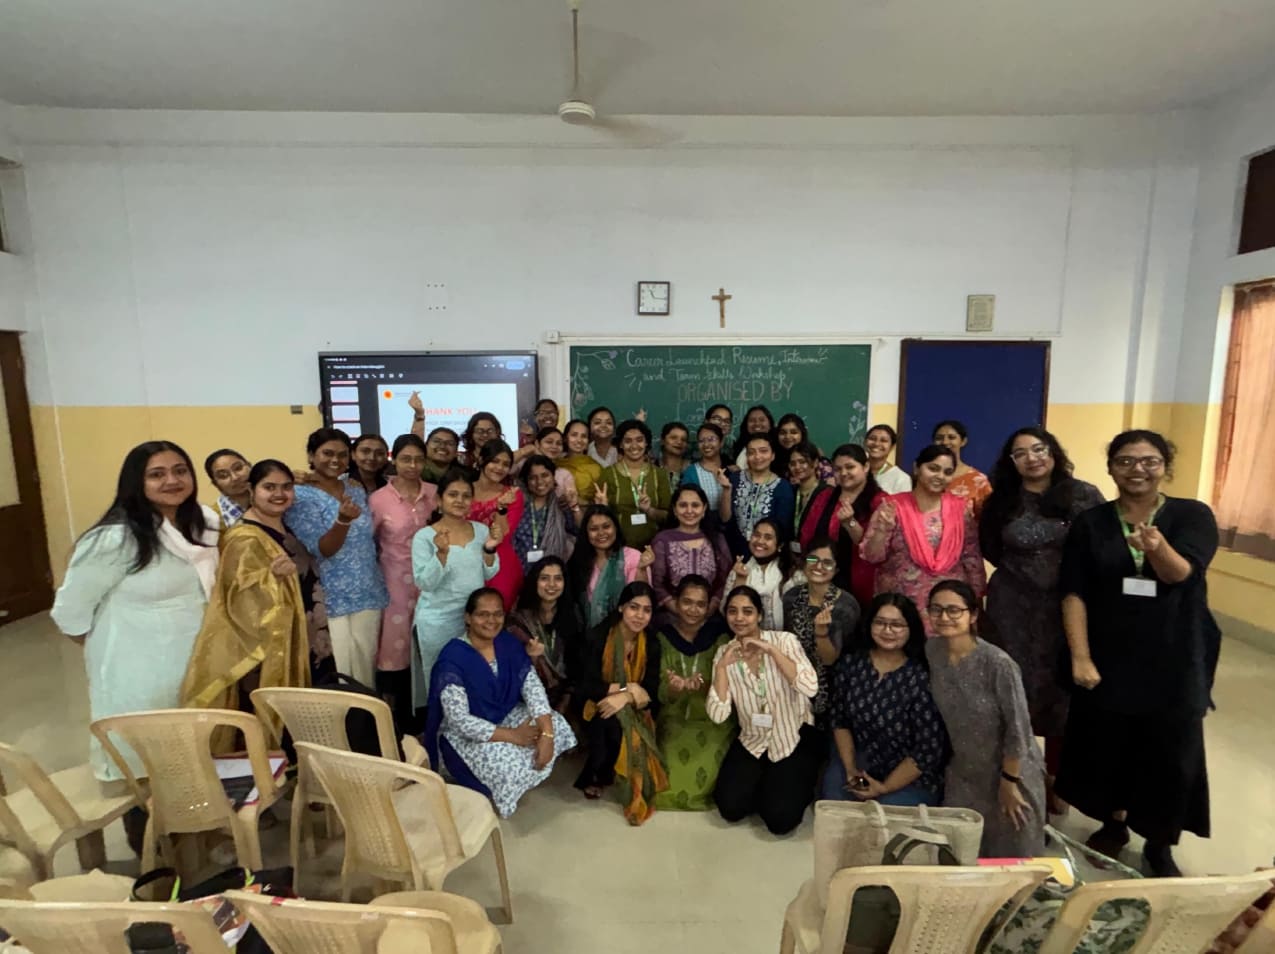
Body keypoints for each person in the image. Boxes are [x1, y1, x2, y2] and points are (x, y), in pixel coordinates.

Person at [1056, 430, 1220, 878]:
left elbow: (1181, 575)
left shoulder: (1191, 515)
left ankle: (1160, 842)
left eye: (1149, 461)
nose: (1137, 470)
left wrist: (1157, 547)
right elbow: (1073, 592)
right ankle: (1113, 824)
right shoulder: (1092, 522)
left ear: (1165, 466)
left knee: (1170, 750)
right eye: (1125, 461)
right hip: (1110, 652)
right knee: (1109, 742)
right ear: (1111, 468)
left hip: (1176, 654)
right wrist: (1080, 656)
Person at [51, 441, 219, 782]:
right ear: (136, 483)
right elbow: (70, 613)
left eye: (180, 471)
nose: (172, 481)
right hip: (137, 669)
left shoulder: (205, 523)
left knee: (198, 753)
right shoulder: (115, 538)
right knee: (148, 761)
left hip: (198, 660)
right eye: (156, 474)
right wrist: (112, 652)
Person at [979, 427, 1104, 813]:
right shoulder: (1002, 500)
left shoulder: (1082, 495)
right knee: (1015, 689)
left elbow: (1100, 547)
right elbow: (991, 548)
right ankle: (1018, 774)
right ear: (1011, 462)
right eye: (1020, 453)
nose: (1031, 458)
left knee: (1063, 694)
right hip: (1012, 608)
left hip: (1067, 607)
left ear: (1053, 452)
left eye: (1038, 449)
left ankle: (1057, 780)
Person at [181, 459, 310, 748]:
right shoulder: (244, 537)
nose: (279, 494)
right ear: (252, 490)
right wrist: (272, 578)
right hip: (263, 651)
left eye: (286, 487)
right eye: (269, 487)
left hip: (295, 635)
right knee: (264, 721)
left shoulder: (281, 525)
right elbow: (236, 597)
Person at [423, 588, 575, 817]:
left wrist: (547, 735)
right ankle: (482, 781)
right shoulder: (453, 658)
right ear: (468, 618)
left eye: (497, 614)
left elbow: (532, 686)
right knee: (506, 765)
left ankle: (519, 771)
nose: (491, 621)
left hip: (504, 713)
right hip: (466, 732)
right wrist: (513, 736)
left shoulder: (507, 644)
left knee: (557, 724)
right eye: (483, 614)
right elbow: (459, 721)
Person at [926, 579, 1046, 858]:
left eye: (954, 610)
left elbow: (1018, 729)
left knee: (1013, 860)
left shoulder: (998, 664)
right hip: (964, 773)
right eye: (936, 609)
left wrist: (1009, 782)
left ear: (973, 615)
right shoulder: (932, 651)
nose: (944, 617)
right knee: (959, 855)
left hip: (1012, 772)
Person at [708, 585, 821, 835]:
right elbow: (718, 715)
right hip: (753, 738)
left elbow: (810, 687)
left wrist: (771, 650)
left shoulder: (785, 641)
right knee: (730, 808)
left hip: (791, 736)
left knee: (780, 822)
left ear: (759, 615)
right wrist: (722, 669)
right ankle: (767, 785)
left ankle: (786, 783)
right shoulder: (724, 653)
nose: (739, 618)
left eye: (747, 611)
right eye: (733, 611)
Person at [285, 428, 388, 686]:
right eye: (327, 454)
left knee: (366, 668)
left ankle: (366, 713)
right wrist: (342, 520)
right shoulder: (300, 496)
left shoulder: (354, 488)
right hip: (330, 595)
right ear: (312, 456)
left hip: (367, 589)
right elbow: (322, 549)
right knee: (339, 669)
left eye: (342, 455)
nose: (335, 460)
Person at [823, 593, 947, 804]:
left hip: (909, 771)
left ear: (911, 629)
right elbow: (839, 720)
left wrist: (885, 787)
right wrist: (851, 769)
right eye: (880, 623)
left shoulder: (923, 676)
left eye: (897, 625)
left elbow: (928, 749)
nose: (887, 631)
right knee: (834, 805)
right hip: (858, 757)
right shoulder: (852, 664)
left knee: (884, 817)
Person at [860, 444, 985, 631]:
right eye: (933, 468)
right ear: (916, 468)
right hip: (901, 605)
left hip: (946, 608)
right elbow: (872, 557)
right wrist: (882, 530)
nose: (940, 476)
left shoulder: (960, 509)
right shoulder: (892, 507)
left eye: (947, 472)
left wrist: (974, 603)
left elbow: (972, 558)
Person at [573, 581, 668, 824]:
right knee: (606, 718)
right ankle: (599, 772)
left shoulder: (652, 643)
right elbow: (586, 686)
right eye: (633, 607)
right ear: (621, 608)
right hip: (594, 701)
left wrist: (625, 697)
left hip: (636, 705)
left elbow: (650, 691)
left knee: (617, 720)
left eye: (646, 610)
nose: (639, 615)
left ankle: (602, 772)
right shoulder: (599, 637)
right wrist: (627, 689)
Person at [412, 470, 503, 703]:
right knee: (442, 681)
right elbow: (424, 583)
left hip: (475, 621)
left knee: (473, 679)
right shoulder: (425, 536)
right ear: (439, 500)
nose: (460, 500)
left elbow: (489, 572)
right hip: (437, 621)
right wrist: (441, 555)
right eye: (453, 495)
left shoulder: (481, 530)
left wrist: (490, 548)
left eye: (466, 496)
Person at [368, 434, 437, 725]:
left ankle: (426, 717)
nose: (412, 465)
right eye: (406, 459)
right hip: (394, 583)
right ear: (393, 459)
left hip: (432, 582)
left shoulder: (435, 494)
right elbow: (368, 542)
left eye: (419, 459)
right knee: (395, 649)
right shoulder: (379, 499)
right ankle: (393, 721)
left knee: (427, 645)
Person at [654, 575, 735, 811]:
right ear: (676, 602)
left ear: (709, 607)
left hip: (712, 720)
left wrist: (706, 686)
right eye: (687, 602)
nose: (693, 610)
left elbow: (728, 686)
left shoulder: (720, 638)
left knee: (705, 770)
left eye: (701, 604)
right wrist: (674, 687)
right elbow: (659, 688)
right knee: (665, 777)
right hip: (673, 717)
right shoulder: (662, 638)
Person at [781, 537, 859, 730]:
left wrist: (821, 633)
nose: (818, 566)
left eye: (827, 563)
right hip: (794, 681)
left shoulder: (846, 606)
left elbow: (830, 660)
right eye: (812, 559)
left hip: (833, 687)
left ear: (836, 569)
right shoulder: (791, 597)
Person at [801, 444, 883, 610]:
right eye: (838, 469)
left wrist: (850, 523)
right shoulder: (825, 496)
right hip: (820, 577)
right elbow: (807, 538)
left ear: (866, 467)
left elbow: (873, 550)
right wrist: (810, 564)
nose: (843, 473)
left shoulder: (879, 501)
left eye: (850, 467)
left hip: (858, 584)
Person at [506, 556, 584, 712]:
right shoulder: (518, 621)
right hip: (527, 698)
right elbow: (509, 670)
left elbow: (578, 666)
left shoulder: (573, 615)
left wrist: (565, 702)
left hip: (568, 696)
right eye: (544, 578)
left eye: (558, 579)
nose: (551, 585)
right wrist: (530, 657)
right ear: (535, 581)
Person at [650, 485, 733, 616]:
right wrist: (677, 609)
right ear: (675, 510)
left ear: (704, 508)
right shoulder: (662, 540)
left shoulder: (717, 539)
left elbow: (726, 580)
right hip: (671, 616)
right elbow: (657, 583)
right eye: (683, 505)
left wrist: (710, 608)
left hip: (710, 615)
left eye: (695, 505)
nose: (689, 511)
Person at [567, 504, 654, 627]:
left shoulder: (633, 557)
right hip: (590, 633)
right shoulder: (580, 561)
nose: (601, 533)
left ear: (616, 527)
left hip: (627, 630)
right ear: (586, 533)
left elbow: (641, 598)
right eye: (594, 529)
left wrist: (642, 570)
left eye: (606, 526)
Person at [597, 419, 672, 550]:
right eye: (628, 441)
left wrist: (649, 510)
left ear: (646, 442)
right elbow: (598, 518)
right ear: (621, 444)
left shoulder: (660, 474)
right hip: (618, 547)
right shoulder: (608, 474)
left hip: (654, 548)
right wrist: (603, 508)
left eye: (639, 440)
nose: (634, 446)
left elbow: (669, 516)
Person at [467, 440, 523, 610]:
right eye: (495, 461)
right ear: (481, 459)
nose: (500, 468)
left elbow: (503, 535)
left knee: (495, 616)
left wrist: (502, 508)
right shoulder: (463, 491)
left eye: (506, 464)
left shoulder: (512, 494)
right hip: (465, 560)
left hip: (500, 564)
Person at [719, 433, 796, 557]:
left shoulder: (783, 487)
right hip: (733, 550)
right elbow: (725, 519)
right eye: (751, 452)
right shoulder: (735, 479)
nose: (757, 456)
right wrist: (726, 491)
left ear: (773, 455)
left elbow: (782, 528)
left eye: (763, 451)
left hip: (766, 553)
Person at [723, 518, 792, 630]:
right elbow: (725, 611)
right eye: (756, 535)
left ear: (780, 545)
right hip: (744, 635)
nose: (760, 541)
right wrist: (740, 579)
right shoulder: (739, 568)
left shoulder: (791, 573)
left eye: (768, 537)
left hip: (783, 637)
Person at [512, 454, 577, 572]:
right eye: (533, 477)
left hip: (550, 574)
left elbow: (576, 530)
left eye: (545, 475)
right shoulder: (518, 503)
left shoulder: (562, 505)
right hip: (516, 571)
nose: (539, 482)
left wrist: (573, 506)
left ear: (553, 476)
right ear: (526, 481)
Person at [932, 420, 991, 517]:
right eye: (939, 438)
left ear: (963, 441)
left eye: (951, 437)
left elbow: (990, 517)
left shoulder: (978, 480)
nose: (945, 442)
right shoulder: (925, 477)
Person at [789, 440, 836, 550]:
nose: (797, 467)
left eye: (802, 462)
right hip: (792, 553)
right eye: (793, 463)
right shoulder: (790, 492)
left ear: (815, 463)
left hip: (817, 554)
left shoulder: (828, 493)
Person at [678, 422, 729, 517]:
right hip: (701, 522)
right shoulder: (691, 472)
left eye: (711, 439)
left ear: (721, 442)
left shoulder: (731, 470)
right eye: (701, 441)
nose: (706, 444)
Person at [558, 419, 604, 506]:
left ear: (588, 442)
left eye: (584, 436)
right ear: (565, 438)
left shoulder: (595, 468)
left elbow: (603, 501)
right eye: (574, 435)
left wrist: (582, 502)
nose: (579, 440)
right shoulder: (555, 463)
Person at [776, 414, 833, 482]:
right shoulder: (772, 459)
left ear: (802, 434)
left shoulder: (817, 460)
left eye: (794, 432)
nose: (787, 436)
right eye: (783, 433)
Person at [204, 448, 251, 527]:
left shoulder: (270, 501)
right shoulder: (211, 521)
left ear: (250, 466)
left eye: (238, 468)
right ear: (216, 484)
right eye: (223, 475)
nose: (235, 477)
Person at [864, 424, 912, 494]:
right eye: (872, 439)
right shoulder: (854, 470)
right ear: (865, 442)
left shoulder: (901, 478)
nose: (877, 444)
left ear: (892, 446)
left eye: (883, 440)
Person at [730, 404, 776, 468]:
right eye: (752, 420)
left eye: (762, 420)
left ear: (770, 424)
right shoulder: (740, 447)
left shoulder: (777, 447)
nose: (757, 423)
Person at [657, 420, 691, 487]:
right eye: (673, 438)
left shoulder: (692, 469)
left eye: (683, 439)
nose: (679, 442)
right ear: (662, 441)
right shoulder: (653, 467)